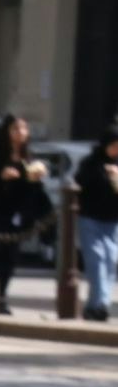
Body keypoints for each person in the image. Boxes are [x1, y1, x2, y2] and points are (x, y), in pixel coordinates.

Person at [0, 114, 52, 317]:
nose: (20, 133)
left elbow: (33, 187)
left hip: (21, 211)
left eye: (24, 129)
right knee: (6, 253)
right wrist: (2, 177)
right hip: (2, 210)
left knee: (12, 254)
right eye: (16, 129)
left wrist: (36, 176)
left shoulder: (29, 156)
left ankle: (3, 292)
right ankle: (2, 296)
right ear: (8, 132)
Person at [77, 119, 118, 324]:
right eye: (114, 145)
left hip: (112, 221)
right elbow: (81, 182)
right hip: (90, 218)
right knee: (96, 261)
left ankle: (94, 306)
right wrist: (105, 176)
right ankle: (100, 305)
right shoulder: (91, 163)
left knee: (110, 261)